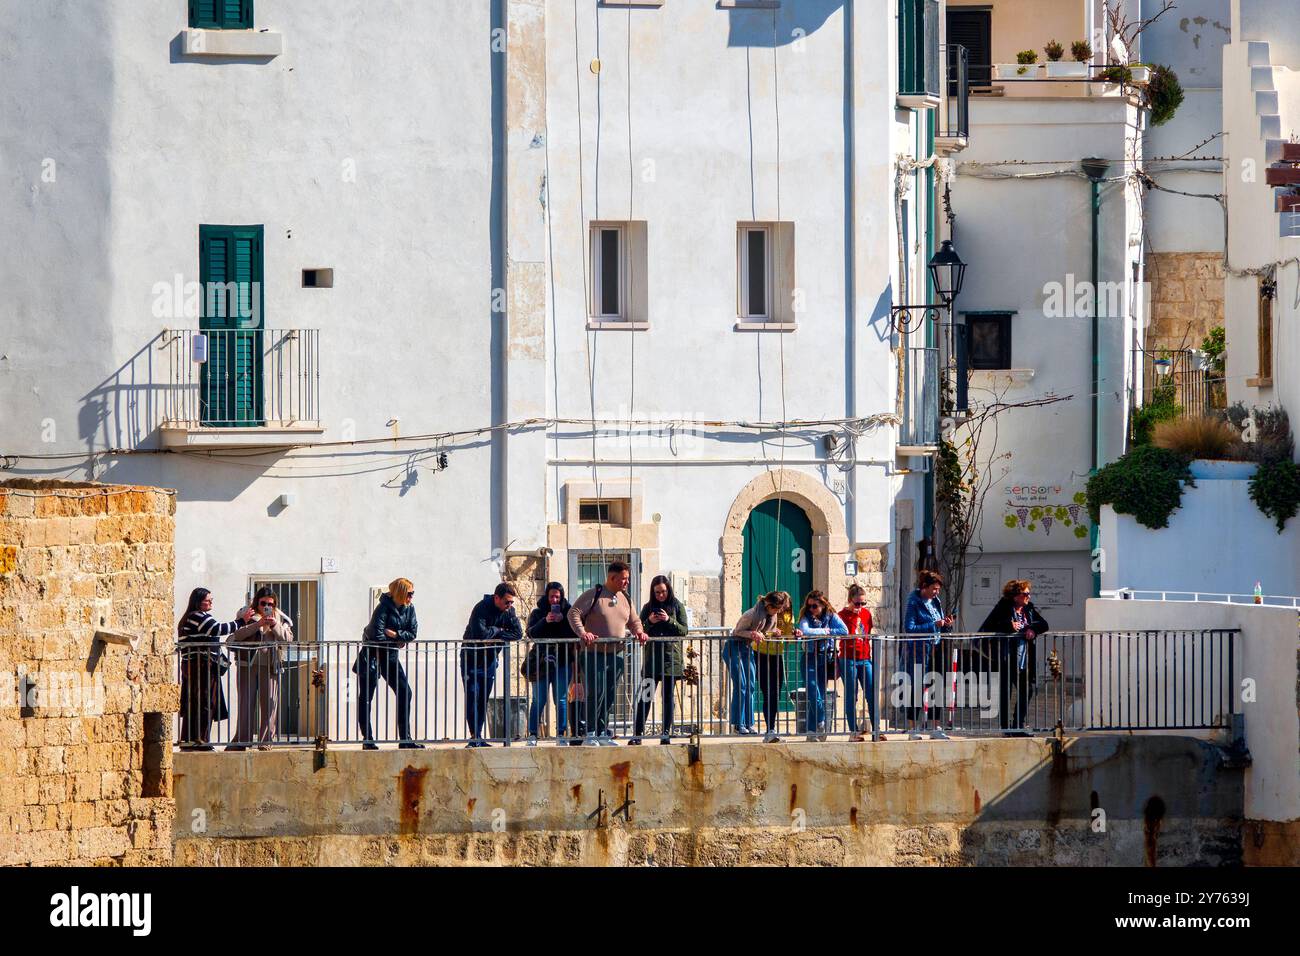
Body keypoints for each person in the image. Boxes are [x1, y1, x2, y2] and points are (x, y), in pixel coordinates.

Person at [567, 561, 647, 745]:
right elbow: (574, 613)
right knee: (596, 693)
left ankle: (602, 731)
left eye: (627, 579)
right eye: (623, 579)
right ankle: (590, 732)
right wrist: (583, 633)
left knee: (610, 695)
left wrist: (639, 632)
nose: (626, 582)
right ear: (612, 578)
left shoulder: (626, 598)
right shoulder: (594, 594)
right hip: (594, 653)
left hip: (616, 654)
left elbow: (634, 621)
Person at [354, 577, 422, 750]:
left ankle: (405, 739)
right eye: (409, 593)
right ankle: (367, 739)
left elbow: (412, 632)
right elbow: (376, 634)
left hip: (390, 656)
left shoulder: (409, 609)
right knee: (366, 698)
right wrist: (398, 639)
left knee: (405, 692)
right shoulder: (383, 607)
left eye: (413, 594)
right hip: (372, 656)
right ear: (400, 593)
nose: (412, 597)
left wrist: (395, 635)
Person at [177, 588, 248, 750]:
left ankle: (192, 740)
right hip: (201, 665)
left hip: (198, 666)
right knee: (205, 702)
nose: (210, 602)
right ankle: (199, 741)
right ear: (198, 602)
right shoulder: (197, 616)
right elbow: (217, 629)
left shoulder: (194, 617)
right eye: (207, 600)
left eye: (211, 599)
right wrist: (241, 621)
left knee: (197, 702)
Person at [979, 579, 1050, 735]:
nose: (1028, 596)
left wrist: (1032, 628)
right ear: (1015, 595)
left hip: (1025, 658)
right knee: (1006, 692)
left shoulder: (1028, 609)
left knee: (1028, 689)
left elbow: (1044, 624)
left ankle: (1018, 724)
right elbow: (988, 627)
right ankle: (1006, 728)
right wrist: (1008, 626)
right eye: (1025, 593)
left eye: (1029, 593)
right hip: (1006, 657)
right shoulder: (1003, 608)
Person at [226, 586, 291, 752]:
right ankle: (242, 740)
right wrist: (258, 624)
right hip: (247, 665)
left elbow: (287, 639)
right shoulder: (246, 615)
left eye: (270, 603)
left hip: (270, 666)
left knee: (269, 704)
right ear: (257, 602)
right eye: (263, 603)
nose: (266, 606)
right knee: (245, 704)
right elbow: (236, 636)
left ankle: (266, 742)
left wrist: (275, 625)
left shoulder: (281, 618)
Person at [462, 583, 523, 747]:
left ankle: (478, 737)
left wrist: (495, 633)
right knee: (473, 697)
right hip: (471, 659)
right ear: (496, 598)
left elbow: (518, 633)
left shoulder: (509, 611)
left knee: (483, 699)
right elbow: (480, 634)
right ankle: (474, 736)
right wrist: (499, 630)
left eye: (511, 603)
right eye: (506, 602)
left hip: (489, 660)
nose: (509, 606)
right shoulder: (481, 608)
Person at [631, 575, 689, 745]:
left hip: (671, 661)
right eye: (657, 592)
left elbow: (684, 630)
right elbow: (639, 629)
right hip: (651, 661)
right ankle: (638, 734)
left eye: (663, 592)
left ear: (668, 590)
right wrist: (649, 621)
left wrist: (668, 620)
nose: (660, 595)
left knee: (667, 697)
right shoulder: (648, 607)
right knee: (645, 697)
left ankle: (665, 734)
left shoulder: (677, 605)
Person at [902, 570, 955, 740]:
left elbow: (938, 625)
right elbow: (910, 628)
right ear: (924, 587)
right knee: (917, 688)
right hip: (919, 650)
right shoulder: (914, 602)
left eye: (938, 589)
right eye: (934, 589)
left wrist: (946, 624)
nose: (936, 592)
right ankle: (912, 728)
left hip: (935, 647)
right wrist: (933, 624)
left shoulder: (936, 601)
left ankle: (936, 727)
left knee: (937, 685)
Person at [524, 582, 578, 746]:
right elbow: (531, 633)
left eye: (557, 597)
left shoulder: (568, 612)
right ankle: (532, 734)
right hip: (542, 663)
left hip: (562, 661)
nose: (554, 600)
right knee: (538, 699)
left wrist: (562, 621)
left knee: (561, 699)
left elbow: (574, 634)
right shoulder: (538, 612)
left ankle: (561, 735)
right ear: (547, 597)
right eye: (551, 596)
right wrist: (545, 620)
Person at [795, 590, 848, 742]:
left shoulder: (831, 616)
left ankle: (812, 733)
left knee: (820, 694)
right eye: (809, 606)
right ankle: (821, 722)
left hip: (825, 658)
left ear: (823, 605)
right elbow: (805, 630)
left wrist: (827, 631)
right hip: (809, 657)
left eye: (814, 606)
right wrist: (824, 631)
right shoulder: (806, 617)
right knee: (813, 692)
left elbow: (844, 630)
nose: (811, 609)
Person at [727, 593, 778, 736]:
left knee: (750, 686)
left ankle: (749, 723)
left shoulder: (770, 617)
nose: (778, 612)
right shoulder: (751, 614)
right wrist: (753, 634)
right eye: (777, 609)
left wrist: (774, 632)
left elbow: (766, 631)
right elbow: (738, 631)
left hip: (747, 649)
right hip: (735, 647)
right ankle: (738, 724)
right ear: (769, 606)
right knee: (741, 686)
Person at [837, 583, 876, 742]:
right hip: (848, 658)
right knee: (851, 696)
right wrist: (852, 615)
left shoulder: (866, 614)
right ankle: (853, 731)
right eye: (857, 603)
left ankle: (876, 730)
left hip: (865, 658)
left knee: (871, 694)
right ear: (850, 600)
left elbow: (868, 631)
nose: (860, 606)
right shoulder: (842, 615)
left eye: (863, 603)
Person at [754, 591, 793, 743]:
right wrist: (772, 633)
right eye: (781, 606)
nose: (782, 609)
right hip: (762, 652)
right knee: (767, 691)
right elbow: (761, 631)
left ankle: (772, 728)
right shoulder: (767, 613)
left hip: (777, 654)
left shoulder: (788, 616)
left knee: (776, 691)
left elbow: (788, 635)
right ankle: (769, 728)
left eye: (785, 607)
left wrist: (792, 633)